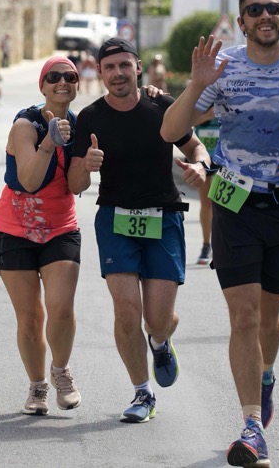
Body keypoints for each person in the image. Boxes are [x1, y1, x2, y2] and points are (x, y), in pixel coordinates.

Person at [161, 0, 279, 467]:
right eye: (254, 10)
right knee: (244, 317)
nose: (264, 15)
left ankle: (266, 374)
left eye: (272, 8)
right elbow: (171, 130)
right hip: (232, 201)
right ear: (241, 23)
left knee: (269, 319)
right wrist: (196, 83)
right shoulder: (223, 69)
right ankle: (252, 427)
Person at [68, 37, 211, 424]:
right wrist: (87, 165)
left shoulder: (161, 106)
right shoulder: (90, 118)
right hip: (115, 218)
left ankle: (161, 340)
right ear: (100, 73)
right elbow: (75, 184)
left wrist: (201, 167)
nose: (117, 74)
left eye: (124, 66)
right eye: (109, 67)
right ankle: (142, 392)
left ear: (138, 68)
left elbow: (196, 148)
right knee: (127, 311)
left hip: (163, 217)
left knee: (157, 319)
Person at [0, 56, 83, 416]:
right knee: (30, 317)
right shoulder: (25, 126)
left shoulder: (80, 125)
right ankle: (37, 385)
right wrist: (50, 143)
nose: (62, 82)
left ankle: (61, 371)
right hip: (14, 229)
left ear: (77, 84)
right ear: (42, 86)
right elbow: (28, 181)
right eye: (54, 77)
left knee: (61, 308)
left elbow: (77, 186)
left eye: (70, 76)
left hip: (60, 227)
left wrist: (87, 165)